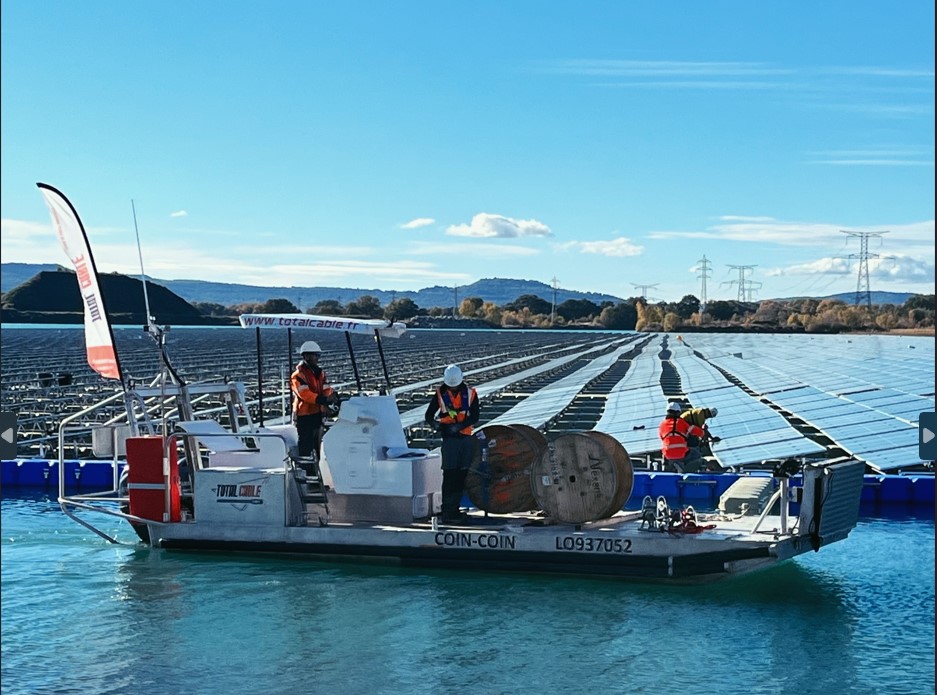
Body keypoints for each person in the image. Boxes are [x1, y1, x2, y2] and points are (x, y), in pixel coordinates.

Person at [424, 364, 480, 523]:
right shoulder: (440, 394)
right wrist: (436, 425)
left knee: (462, 474)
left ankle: (454, 509)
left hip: (465, 438)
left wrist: (459, 426)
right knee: (450, 475)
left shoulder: (470, 394)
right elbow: (429, 415)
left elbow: (475, 416)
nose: (453, 389)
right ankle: (448, 511)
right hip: (449, 439)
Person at [290, 340, 339, 460]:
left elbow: (326, 388)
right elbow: (304, 394)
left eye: (318, 355)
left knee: (317, 443)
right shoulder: (298, 375)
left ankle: (317, 468)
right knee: (306, 444)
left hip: (317, 413)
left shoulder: (319, 373)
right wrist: (324, 400)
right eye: (315, 355)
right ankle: (306, 469)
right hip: (304, 415)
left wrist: (331, 397)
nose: (317, 358)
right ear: (306, 356)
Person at [658, 401, 706, 473]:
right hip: (682, 454)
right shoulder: (681, 422)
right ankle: (688, 472)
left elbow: (661, 438)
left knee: (664, 452)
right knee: (696, 454)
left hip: (668, 455)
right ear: (678, 412)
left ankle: (666, 469)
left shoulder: (662, 424)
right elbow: (696, 431)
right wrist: (703, 432)